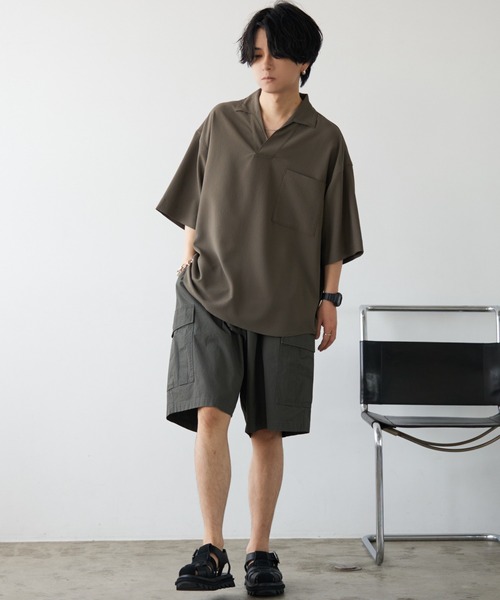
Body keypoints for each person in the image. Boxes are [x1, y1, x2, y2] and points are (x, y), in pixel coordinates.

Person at [156, 1, 363, 595]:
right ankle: (212, 549)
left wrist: (330, 297)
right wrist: (187, 254)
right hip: (210, 295)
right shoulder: (221, 121)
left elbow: (335, 228)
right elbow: (193, 196)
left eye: (276, 53)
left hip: (286, 303)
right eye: (256, 53)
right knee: (210, 415)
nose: (264, 64)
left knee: (267, 431)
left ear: (304, 61)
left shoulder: (326, 140)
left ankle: (260, 553)